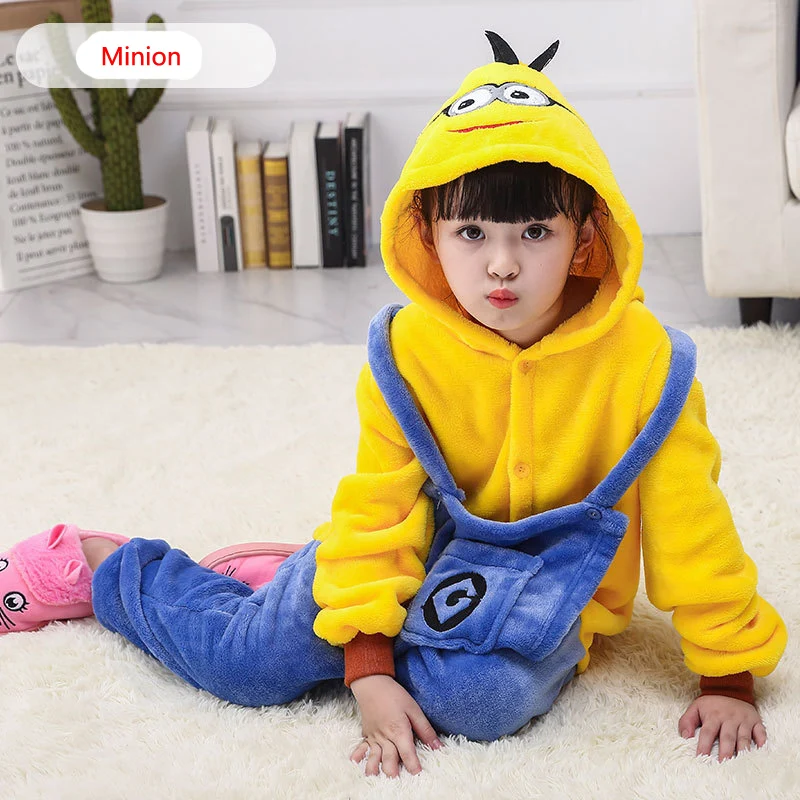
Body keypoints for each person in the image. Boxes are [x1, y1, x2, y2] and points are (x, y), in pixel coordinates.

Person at [0, 32, 787, 779]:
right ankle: (98, 561)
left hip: (547, 583)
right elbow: (383, 505)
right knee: (248, 665)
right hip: (410, 545)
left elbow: (692, 522)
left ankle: (289, 582)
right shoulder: (406, 349)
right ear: (426, 231)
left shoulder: (648, 360)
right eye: (471, 231)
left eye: (534, 231)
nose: (502, 264)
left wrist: (728, 673)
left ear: (584, 234)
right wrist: (368, 664)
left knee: (479, 702)